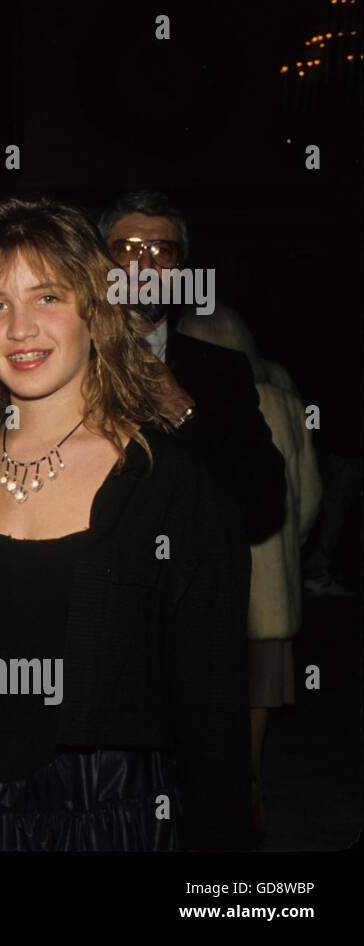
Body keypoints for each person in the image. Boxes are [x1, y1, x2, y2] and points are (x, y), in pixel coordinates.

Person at [0, 196, 250, 852]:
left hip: (111, 813)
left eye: (47, 298)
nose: (19, 328)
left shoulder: (168, 486)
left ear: (94, 312)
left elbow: (213, 707)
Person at [97, 192, 286, 630]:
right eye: (127, 251)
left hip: (188, 622)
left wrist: (184, 412)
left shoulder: (222, 372)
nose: (144, 266)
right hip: (89, 613)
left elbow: (263, 507)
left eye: (162, 252)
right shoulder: (63, 364)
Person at [176, 305, 322, 836]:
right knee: (256, 701)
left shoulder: (198, 403)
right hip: (273, 579)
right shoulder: (284, 403)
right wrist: (294, 547)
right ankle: (248, 792)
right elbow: (306, 499)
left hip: (219, 579)